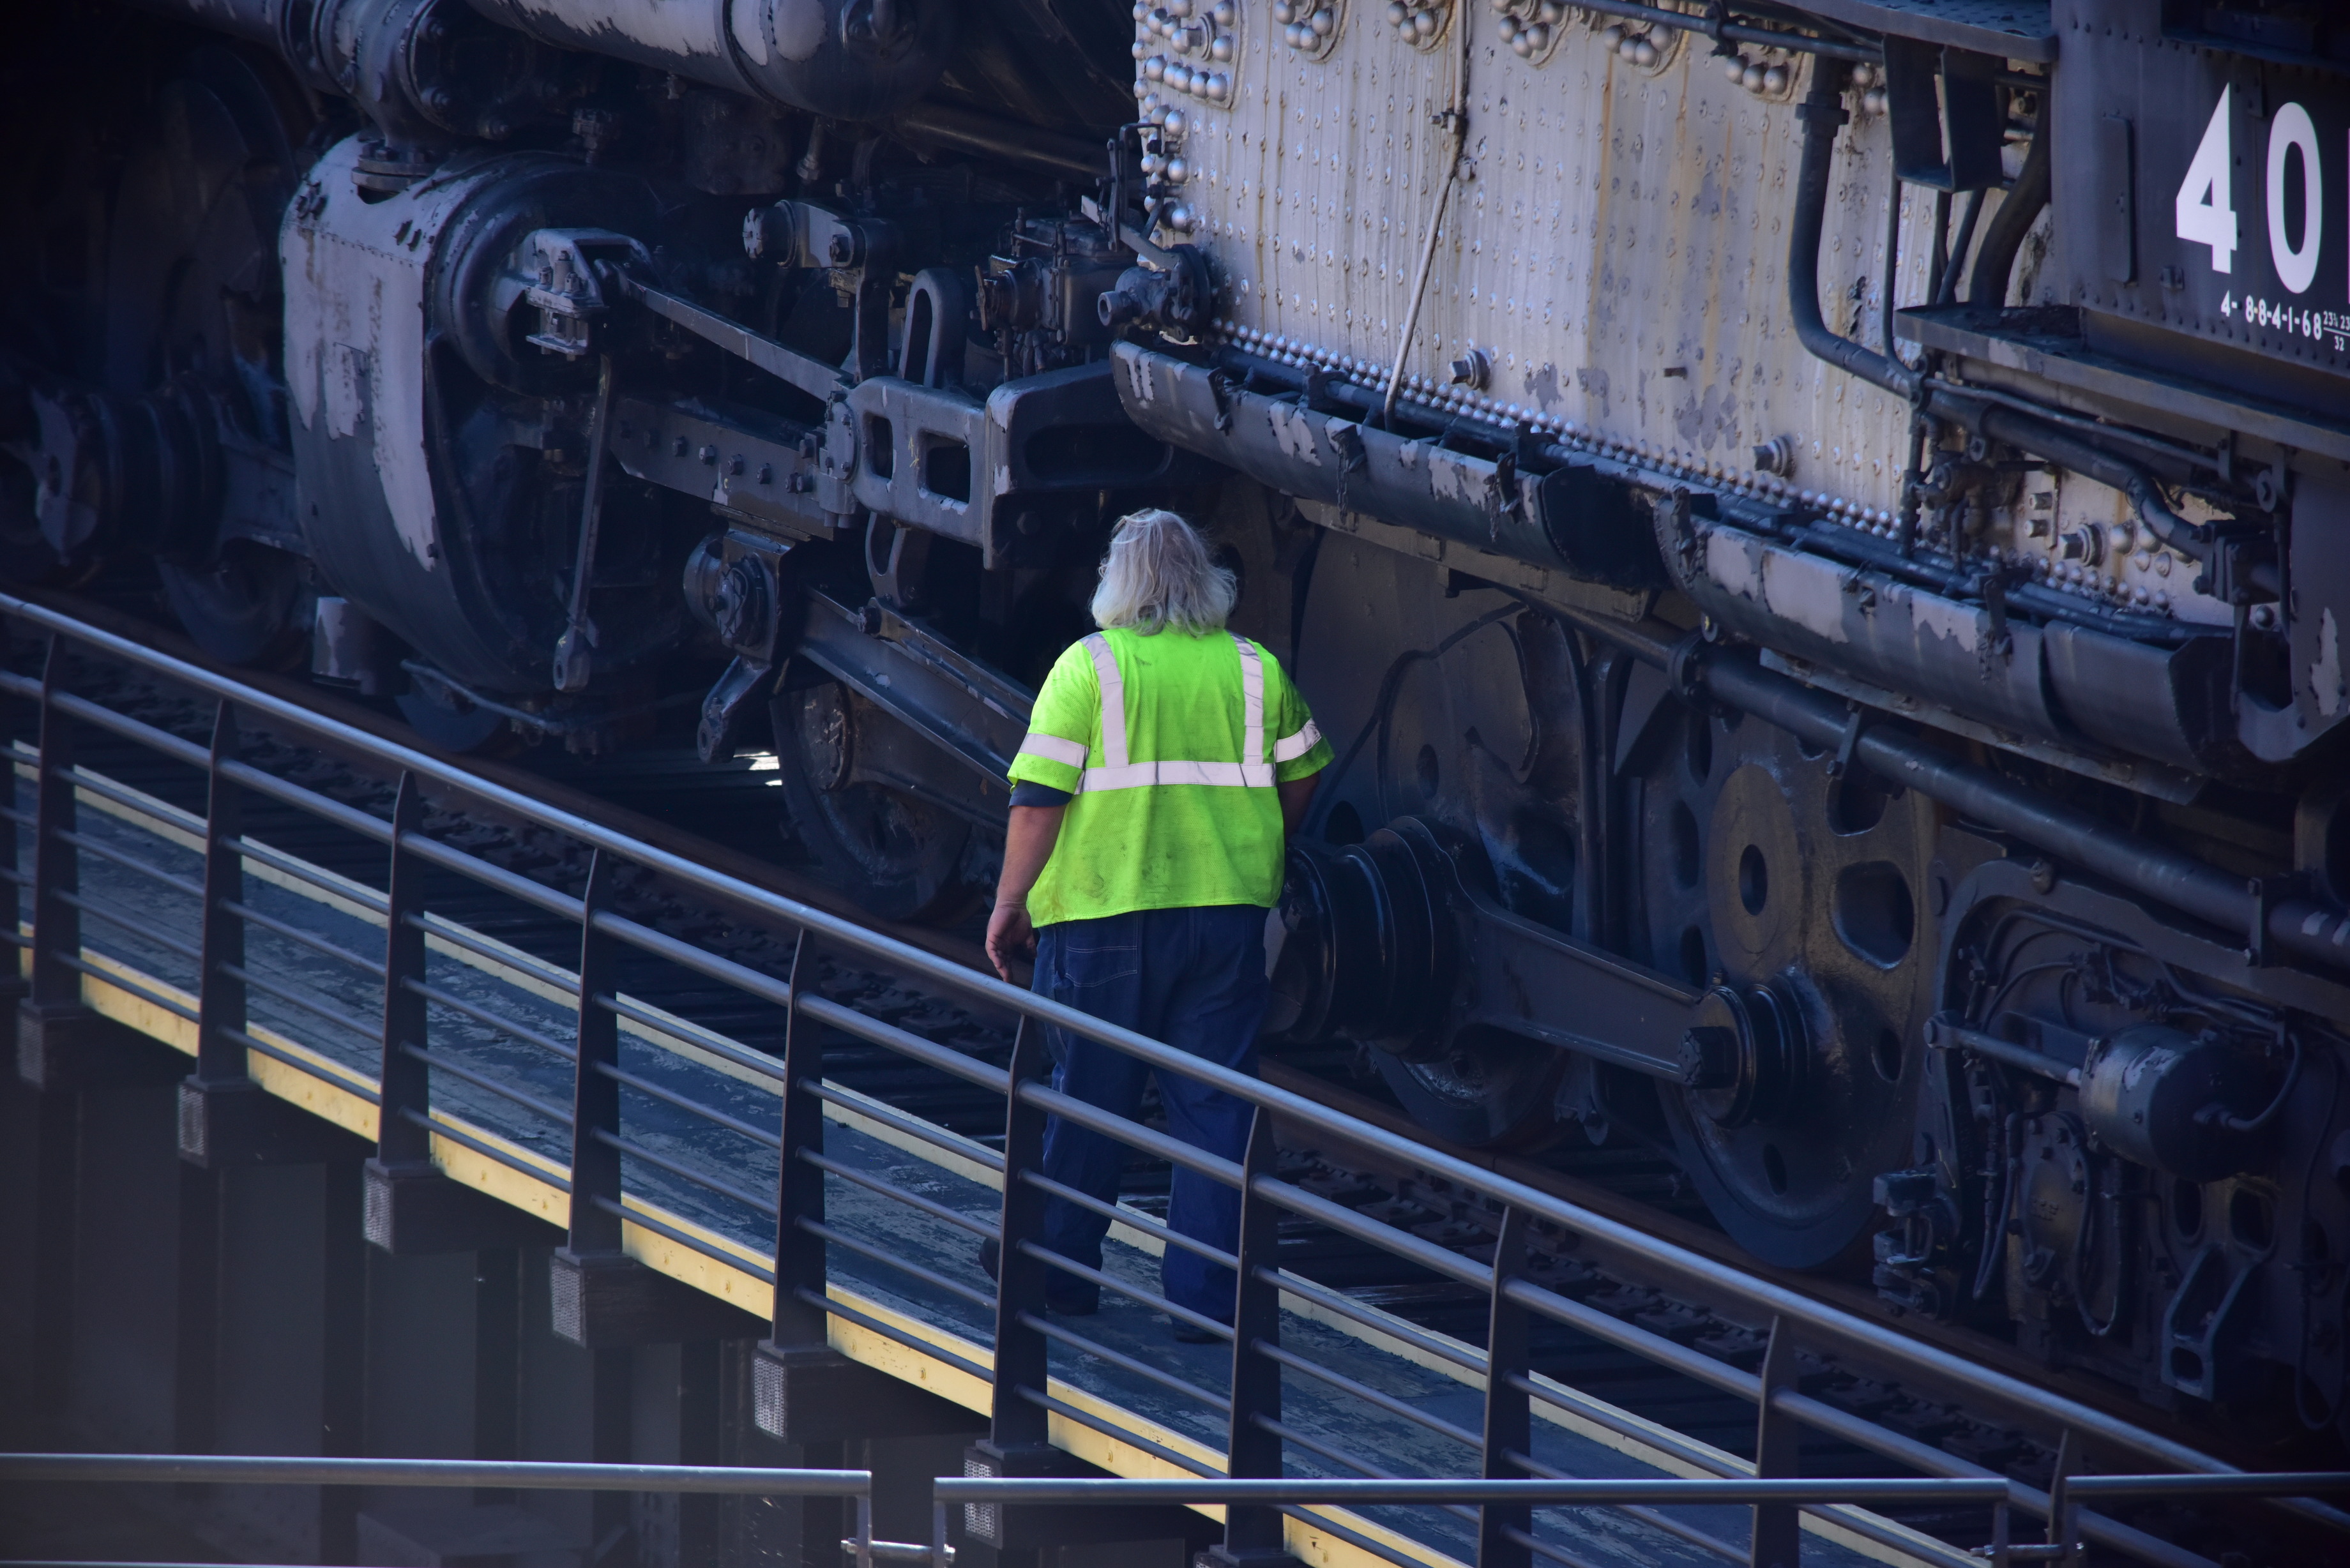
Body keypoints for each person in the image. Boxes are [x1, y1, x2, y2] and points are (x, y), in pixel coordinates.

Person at [984, 508, 1331, 1340]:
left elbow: (1037, 804)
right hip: (1222, 923)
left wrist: (1007, 904)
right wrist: (1253, 838)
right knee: (1215, 1110)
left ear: (1119, 583)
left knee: (1092, 1099)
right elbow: (1307, 773)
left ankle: (1061, 1277)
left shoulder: (1089, 670)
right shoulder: (1253, 670)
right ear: (1202, 582)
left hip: (1103, 919)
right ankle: (1208, 1310)